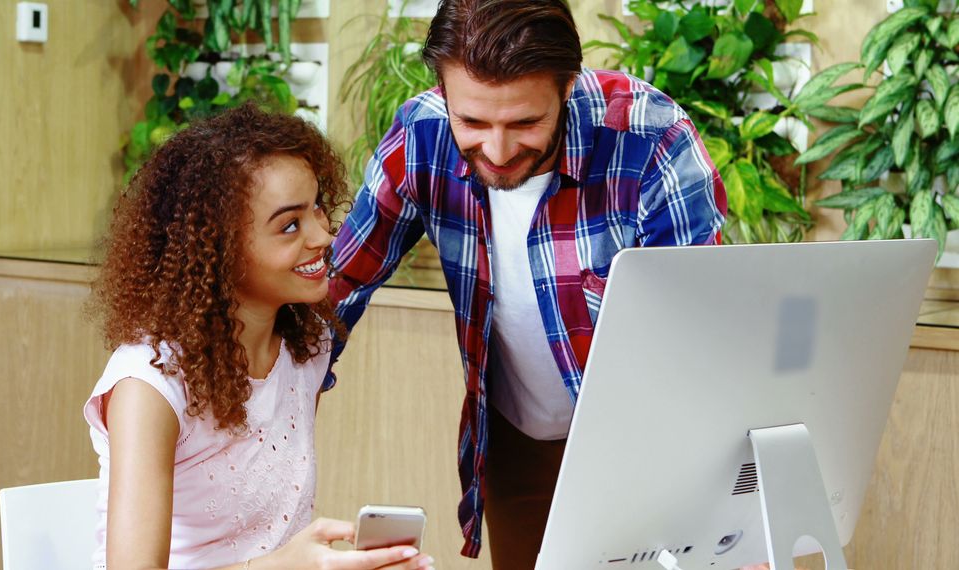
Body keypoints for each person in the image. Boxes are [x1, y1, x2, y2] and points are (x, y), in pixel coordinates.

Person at [326, 1, 728, 568]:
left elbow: (706, 339)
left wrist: (729, 513)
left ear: (567, 86)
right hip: (516, 440)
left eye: (524, 123)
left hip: (649, 444)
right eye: (471, 122)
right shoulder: (421, 133)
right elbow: (335, 285)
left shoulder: (650, 137)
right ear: (443, 91)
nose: (497, 151)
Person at [82, 104, 434, 570]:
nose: (323, 236)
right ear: (218, 249)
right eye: (290, 225)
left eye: (318, 210)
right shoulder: (149, 384)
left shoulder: (306, 350)